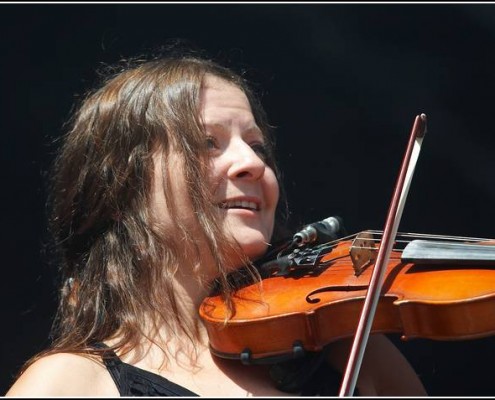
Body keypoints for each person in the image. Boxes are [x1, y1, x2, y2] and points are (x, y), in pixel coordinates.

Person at [6, 47, 427, 397]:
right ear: (121, 189)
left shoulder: (350, 353)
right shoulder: (70, 384)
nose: (251, 164)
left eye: (258, 147)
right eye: (207, 143)